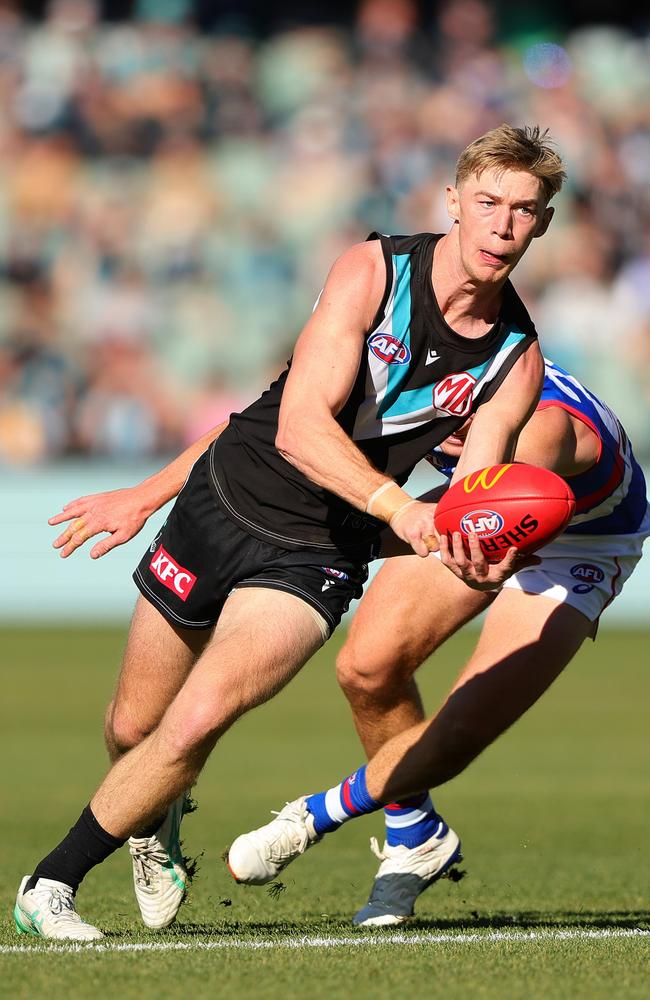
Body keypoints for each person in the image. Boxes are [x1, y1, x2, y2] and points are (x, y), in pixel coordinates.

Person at [15, 124, 564, 941]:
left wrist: (473, 552)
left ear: (544, 223)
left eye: (525, 210)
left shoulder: (516, 361)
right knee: (134, 728)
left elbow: (468, 498)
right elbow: (293, 426)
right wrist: (149, 493)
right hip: (223, 500)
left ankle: (47, 886)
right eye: (487, 202)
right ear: (453, 202)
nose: (502, 226)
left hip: (316, 555)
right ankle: (151, 817)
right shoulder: (372, 270)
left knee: (197, 719)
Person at [226, 358, 650, 925]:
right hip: (475, 503)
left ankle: (314, 815)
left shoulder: (543, 429)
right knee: (367, 670)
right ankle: (417, 834)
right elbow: (263, 429)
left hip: (576, 540)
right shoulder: (397, 389)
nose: (446, 425)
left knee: (463, 725)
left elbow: (500, 518)